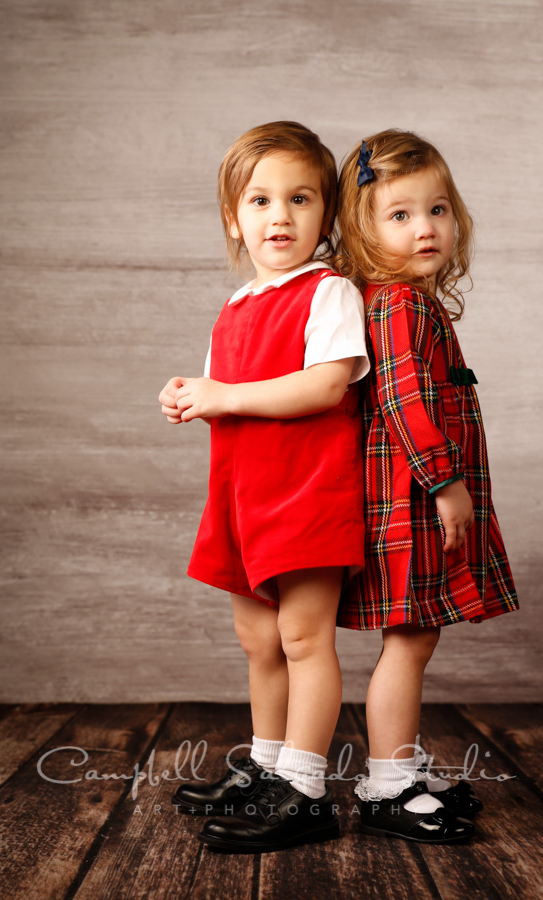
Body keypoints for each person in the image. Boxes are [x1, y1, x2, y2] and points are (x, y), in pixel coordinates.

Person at [158, 121, 369, 853]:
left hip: (306, 492)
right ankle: (268, 766)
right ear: (233, 217)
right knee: (257, 639)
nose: (278, 216)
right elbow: (226, 390)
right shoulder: (237, 305)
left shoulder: (328, 290)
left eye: (300, 198)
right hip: (243, 496)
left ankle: (306, 790)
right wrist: (193, 394)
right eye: (259, 200)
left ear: (326, 214)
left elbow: (323, 385)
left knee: (302, 636)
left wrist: (224, 397)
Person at [333, 130, 520, 844]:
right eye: (400, 214)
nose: (426, 228)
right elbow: (405, 404)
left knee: (413, 638)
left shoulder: (393, 300)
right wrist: (445, 483)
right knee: (409, 641)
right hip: (410, 503)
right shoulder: (400, 306)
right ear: (363, 227)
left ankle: (399, 767)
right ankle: (387, 785)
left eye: (437, 209)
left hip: (402, 499)